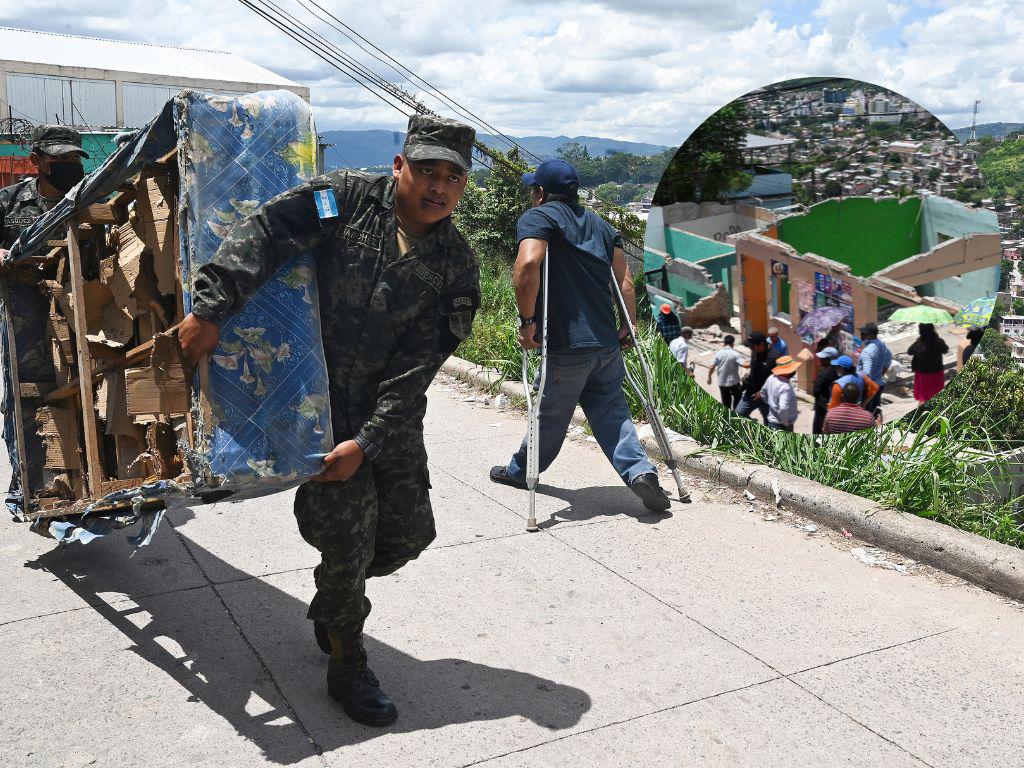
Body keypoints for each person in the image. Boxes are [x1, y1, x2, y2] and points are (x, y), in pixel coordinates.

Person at [178, 114, 481, 727]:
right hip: (313, 399)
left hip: (386, 415)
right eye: (427, 170)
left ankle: (332, 601)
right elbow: (266, 231)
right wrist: (212, 306)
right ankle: (347, 658)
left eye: (452, 177)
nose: (438, 187)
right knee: (347, 542)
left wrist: (367, 444)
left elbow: (417, 369)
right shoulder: (341, 198)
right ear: (400, 165)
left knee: (406, 537)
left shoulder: (456, 265)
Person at [489, 158, 678, 512]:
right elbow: (624, 279)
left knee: (548, 415)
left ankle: (520, 471)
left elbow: (528, 264)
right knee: (612, 412)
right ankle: (640, 472)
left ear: (540, 193)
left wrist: (527, 321)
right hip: (605, 344)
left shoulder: (539, 216)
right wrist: (629, 324)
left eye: (534, 190)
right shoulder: (603, 227)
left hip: (565, 345)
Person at [0, 126, 91, 502]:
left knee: (84, 395)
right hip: (24, 321)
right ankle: (32, 482)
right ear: (36, 160)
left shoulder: (88, 199)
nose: (69, 166)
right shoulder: (9, 201)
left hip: (80, 317)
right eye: (60, 160)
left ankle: (84, 480)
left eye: (74, 159)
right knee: (27, 398)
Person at [736, 331, 781, 423]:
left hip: (767, 396)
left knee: (768, 422)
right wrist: (750, 375)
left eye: (752, 346)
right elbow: (755, 366)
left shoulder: (774, 357)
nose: (750, 348)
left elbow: (779, 380)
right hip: (751, 392)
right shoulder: (755, 351)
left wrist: (763, 392)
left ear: (761, 344)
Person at [908, 322, 948, 403]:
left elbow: (910, 351)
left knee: (924, 397)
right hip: (937, 372)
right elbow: (945, 350)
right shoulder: (939, 341)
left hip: (923, 374)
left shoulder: (920, 343)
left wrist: (917, 341)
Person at [856, 322, 891, 413]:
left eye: (864, 333)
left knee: (867, 417)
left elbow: (866, 373)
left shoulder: (866, 352)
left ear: (871, 335)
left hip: (870, 390)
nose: (861, 335)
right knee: (875, 414)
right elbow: (888, 357)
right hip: (879, 384)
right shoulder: (881, 344)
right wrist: (881, 373)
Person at [760, 355, 801, 431]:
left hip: (771, 421)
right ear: (787, 371)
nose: (794, 370)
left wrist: (771, 404)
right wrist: (786, 424)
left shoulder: (771, 378)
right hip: (781, 425)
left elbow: (762, 393)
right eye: (793, 368)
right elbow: (783, 408)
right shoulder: (785, 387)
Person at [707, 334, 743, 410]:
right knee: (738, 398)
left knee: (726, 403)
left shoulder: (718, 353)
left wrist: (709, 378)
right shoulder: (735, 354)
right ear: (733, 343)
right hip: (735, 382)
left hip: (722, 382)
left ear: (724, 343)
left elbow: (711, 366)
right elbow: (743, 364)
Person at [811, 346, 840, 435]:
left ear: (828, 359)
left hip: (822, 408)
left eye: (822, 358)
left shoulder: (823, 373)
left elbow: (816, 392)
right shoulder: (839, 370)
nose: (820, 359)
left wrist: (816, 384)